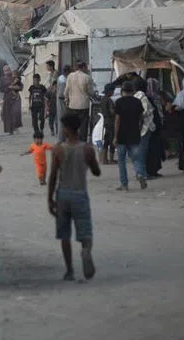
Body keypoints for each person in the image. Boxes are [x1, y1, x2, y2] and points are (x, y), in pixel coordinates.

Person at [48, 114, 101, 281]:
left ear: (66, 129)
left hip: (63, 194)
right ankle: (85, 251)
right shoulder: (87, 149)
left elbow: (53, 176)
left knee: (64, 234)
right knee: (85, 232)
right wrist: (90, 163)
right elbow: (96, 172)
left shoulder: (58, 150)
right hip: (80, 194)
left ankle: (69, 270)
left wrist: (50, 199)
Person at [113, 83, 147, 191]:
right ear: (133, 91)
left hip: (121, 135)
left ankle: (124, 184)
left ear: (122, 91)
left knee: (121, 161)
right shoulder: (137, 102)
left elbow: (117, 121)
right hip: (134, 134)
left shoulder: (119, 102)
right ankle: (140, 174)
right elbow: (142, 118)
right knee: (136, 158)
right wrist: (139, 129)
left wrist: (115, 136)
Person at [65, 62, 94, 141]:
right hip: (83, 105)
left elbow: (66, 91)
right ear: (83, 67)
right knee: (83, 126)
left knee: (72, 125)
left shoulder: (70, 76)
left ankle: (72, 141)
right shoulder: (87, 77)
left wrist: (67, 100)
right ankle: (82, 142)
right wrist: (94, 94)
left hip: (72, 105)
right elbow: (90, 92)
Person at [45, 60, 59, 136]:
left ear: (51, 66)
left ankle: (56, 131)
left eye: (47, 66)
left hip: (54, 95)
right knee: (51, 115)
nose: (46, 67)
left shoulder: (55, 74)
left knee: (55, 115)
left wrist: (49, 90)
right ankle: (52, 130)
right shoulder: (51, 74)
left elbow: (54, 85)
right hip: (51, 94)